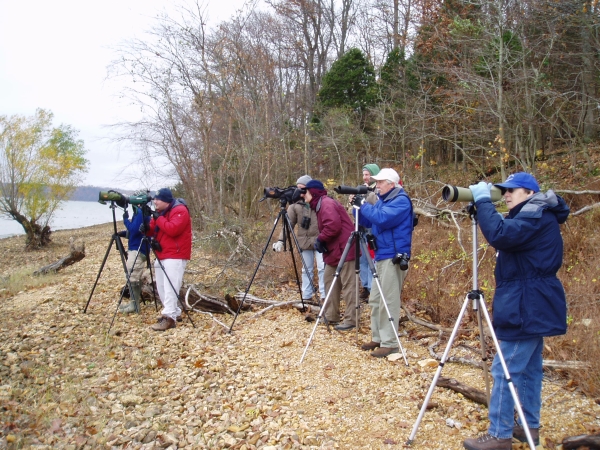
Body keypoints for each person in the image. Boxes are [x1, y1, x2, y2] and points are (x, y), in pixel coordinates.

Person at [463, 172, 569, 450]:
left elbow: (500, 235)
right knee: (530, 369)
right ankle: (527, 426)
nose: (506, 195)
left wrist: (485, 200)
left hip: (526, 302)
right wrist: (481, 210)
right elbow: (503, 232)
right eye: (503, 191)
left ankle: (499, 434)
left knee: (504, 369)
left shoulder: (535, 216)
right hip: (532, 300)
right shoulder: (533, 216)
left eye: (513, 190)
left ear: (531, 193)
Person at [353, 168, 413, 358]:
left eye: (380, 182)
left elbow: (382, 219)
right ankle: (378, 337)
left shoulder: (401, 201)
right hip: (381, 255)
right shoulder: (383, 201)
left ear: (392, 184)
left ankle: (390, 342)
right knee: (376, 300)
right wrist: (357, 208)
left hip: (393, 256)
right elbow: (368, 222)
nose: (376, 185)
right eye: (376, 182)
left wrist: (365, 205)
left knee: (389, 300)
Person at [304, 179, 357, 331]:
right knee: (329, 281)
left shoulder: (326, 203)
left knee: (349, 285)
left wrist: (320, 239)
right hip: (335, 251)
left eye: (305, 192)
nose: (303, 196)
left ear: (313, 192)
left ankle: (351, 319)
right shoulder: (320, 205)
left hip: (345, 249)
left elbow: (333, 226)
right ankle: (331, 315)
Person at [143, 188, 192, 332]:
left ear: (166, 201)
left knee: (171, 286)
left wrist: (158, 218)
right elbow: (152, 230)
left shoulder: (180, 210)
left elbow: (173, 229)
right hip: (162, 253)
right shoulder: (161, 213)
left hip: (176, 254)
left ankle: (169, 317)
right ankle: (174, 311)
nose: (155, 201)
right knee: (161, 286)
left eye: (158, 199)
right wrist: (145, 224)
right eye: (155, 199)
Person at [272, 175, 326, 302]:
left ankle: (325, 295)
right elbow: (288, 224)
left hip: (321, 241)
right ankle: (307, 296)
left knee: (323, 268)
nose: (300, 192)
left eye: (303, 189)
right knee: (306, 269)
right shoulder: (294, 206)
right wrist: (281, 240)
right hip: (304, 242)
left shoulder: (320, 202)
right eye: (298, 188)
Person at [118, 199, 150, 314]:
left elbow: (134, 230)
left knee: (132, 277)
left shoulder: (140, 213)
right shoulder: (140, 213)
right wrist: (123, 234)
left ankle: (135, 305)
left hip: (138, 250)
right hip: (136, 248)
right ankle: (133, 303)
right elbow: (135, 233)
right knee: (131, 276)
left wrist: (125, 219)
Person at [357, 163, 380, 300]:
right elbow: (352, 209)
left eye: (367, 174)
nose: (365, 177)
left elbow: (377, 207)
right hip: (361, 229)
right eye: (364, 174)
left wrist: (367, 194)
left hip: (372, 229)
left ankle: (374, 289)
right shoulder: (361, 189)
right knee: (362, 260)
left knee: (372, 259)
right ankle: (366, 286)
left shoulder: (379, 189)